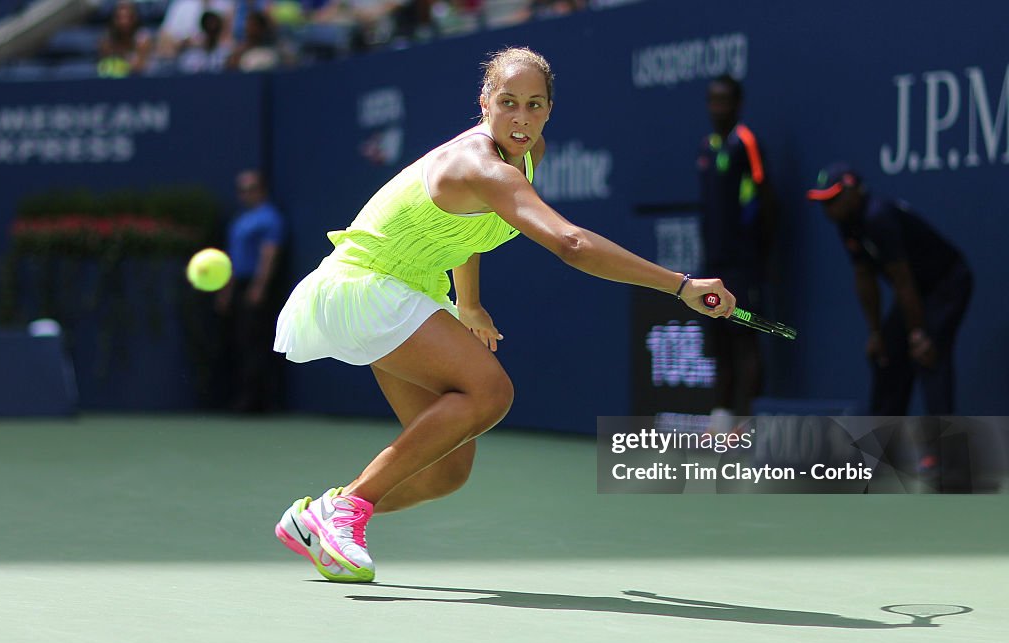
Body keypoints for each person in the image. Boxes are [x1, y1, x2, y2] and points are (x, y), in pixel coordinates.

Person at [271, 47, 737, 583]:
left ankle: (318, 516)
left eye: (534, 105)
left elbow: (465, 229)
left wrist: (467, 303)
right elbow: (572, 244)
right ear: (484, 102)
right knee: (490, 393)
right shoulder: (480, 163)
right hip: (366, 284)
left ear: (548, 110)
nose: (521, 118)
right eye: (508, 102)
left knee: (448, 470)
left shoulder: (526, 149)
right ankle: (345, 510)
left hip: (406, 289)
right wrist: (679, 285)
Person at [807, 162, 972, 415]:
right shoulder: (846, 224)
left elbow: (902, 279)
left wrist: (918, 334)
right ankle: (882, 447)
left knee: (928, 354)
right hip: (916, 291)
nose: (828, 209)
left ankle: (943, 450)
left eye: (833, 199)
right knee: (886, 357)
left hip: (947, 284)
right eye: (824, 202)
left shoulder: (878, 217)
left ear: (854, 191)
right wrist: (876, 333)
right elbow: (864, 276)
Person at [696, 74, 776, 420]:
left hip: (743, 263)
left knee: (744, 337)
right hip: (713, 262)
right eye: (712, 101)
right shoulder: (707, 145)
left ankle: (748, 420)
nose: (717, 108)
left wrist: (758, 252)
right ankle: (722, 416)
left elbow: (765, 199)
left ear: (738, 105)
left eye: (724, 101)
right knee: (719, 340)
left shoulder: (746, 143)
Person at [215, 170, 287, 413]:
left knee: (256, 344)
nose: (244, 194)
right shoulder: (239, 221)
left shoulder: (270, 218)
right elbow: (233, 259)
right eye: (241, 189)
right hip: (239, 287)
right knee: (241, 343)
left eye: (250, 188)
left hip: (257, 287)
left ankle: (258, 402)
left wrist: (259, 287)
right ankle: (243, 398)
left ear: (261, 190)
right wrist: (227, 291)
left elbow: (269, 254)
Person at [97, 0, 154, 77]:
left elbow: (140, 67)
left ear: (134, 18)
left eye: (128, 17)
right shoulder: (106, 41)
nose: (124, 22)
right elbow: (104, 68)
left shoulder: (143, 39)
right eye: (119, 17)